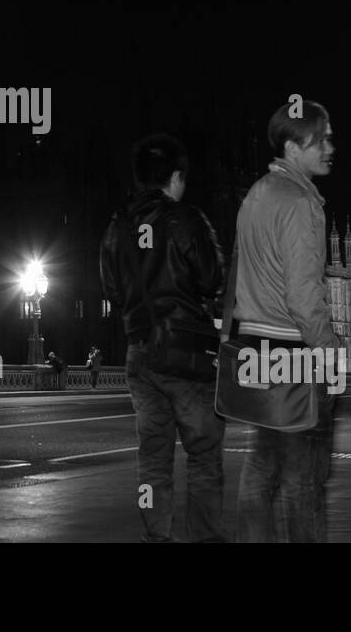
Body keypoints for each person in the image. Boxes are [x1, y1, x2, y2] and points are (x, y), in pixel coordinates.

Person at [100, 133, 225, 542]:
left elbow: (112, 290)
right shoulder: (185, 218)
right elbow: (212, 279)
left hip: (139, 351)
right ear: (174, 177)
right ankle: (204, 536)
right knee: (202, 454)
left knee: (153, 459)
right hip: (185, 352)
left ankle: (157, 536)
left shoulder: (116, 227)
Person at [231, 100, 340, 543]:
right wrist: (330, 352)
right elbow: (302, 294)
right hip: (294, 352)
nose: (331, 147)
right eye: (322, 139)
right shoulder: (299, 202)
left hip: (255, 346)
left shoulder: (257, 193)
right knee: (303, 480)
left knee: (262, 467)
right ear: (294, 147)